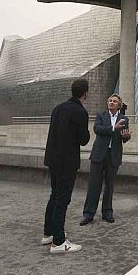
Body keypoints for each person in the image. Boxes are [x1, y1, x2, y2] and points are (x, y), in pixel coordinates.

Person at [42, 78, 90, 254]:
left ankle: (49, 233)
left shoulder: (58, 108)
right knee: (62, 199)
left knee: (54, 195)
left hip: (53, 159)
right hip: (67, 162)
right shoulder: (80, 111)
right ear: (85, 93)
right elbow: (84, 140)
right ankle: (59, 242)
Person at [80, 94, 131, 225]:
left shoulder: (124, 119)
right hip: (99, 154)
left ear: (119, 105)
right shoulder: (101, 115)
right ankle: (88, 214)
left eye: (114, 101)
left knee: (109, 185)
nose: (111, 102)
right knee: (94, 185)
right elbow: (97, 129)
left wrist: (126, 136)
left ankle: (107, 212)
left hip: (113, 155)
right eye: (110, 101)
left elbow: (124, 138)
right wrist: (114, 128)